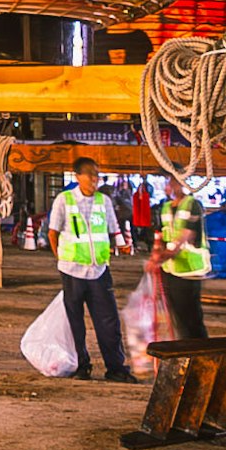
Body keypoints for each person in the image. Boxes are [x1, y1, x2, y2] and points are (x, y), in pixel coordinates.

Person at [51, 161, 130, 383]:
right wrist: (61, 259)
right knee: (75, 322)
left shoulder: (103, 201)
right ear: (77, 177)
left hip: (99, 271)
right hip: (72, 271)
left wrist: (120, 245)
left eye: (97, 176)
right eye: (90, 176)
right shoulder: (64, 201)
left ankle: (115, 368)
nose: (95, 181)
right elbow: (53, 232)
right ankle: (81, 367)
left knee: (108, 322)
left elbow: (114, 230)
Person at [154, 185, 212, 342]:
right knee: (177, 318)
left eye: (172, 181)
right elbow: (161, 233)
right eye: (167, 181)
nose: (169, 186)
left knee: (190, 318)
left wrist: (163, 256)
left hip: (189, 270)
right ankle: (185, 352)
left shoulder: (192, 205)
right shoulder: (165, 207)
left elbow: (186, 234)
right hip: (170, 270)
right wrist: (157, 250)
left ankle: (199, 354)